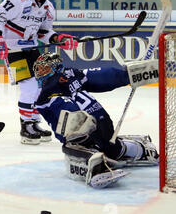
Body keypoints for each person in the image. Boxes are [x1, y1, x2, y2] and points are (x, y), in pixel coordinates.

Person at [33, 52, 159, 188]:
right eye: (39, 70)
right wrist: (127, 76)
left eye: (45, 69)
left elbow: (64, 105)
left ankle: (100, 165)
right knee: (112, 148)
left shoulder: (47, 91)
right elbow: (103, 76)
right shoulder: (73, 74)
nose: (41, 74)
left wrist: (79, 121)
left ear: (56, 67)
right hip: (102, 120)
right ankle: (140, 149)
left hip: (86, 130)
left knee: (81, 144)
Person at [0, 0, 79, 145]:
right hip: (13, 50)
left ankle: (35, 123)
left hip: (31, 48)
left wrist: (59, 40)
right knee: (29, 87)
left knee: (41, 86)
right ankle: (26, 126)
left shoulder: (48, 8)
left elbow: (44, 33)